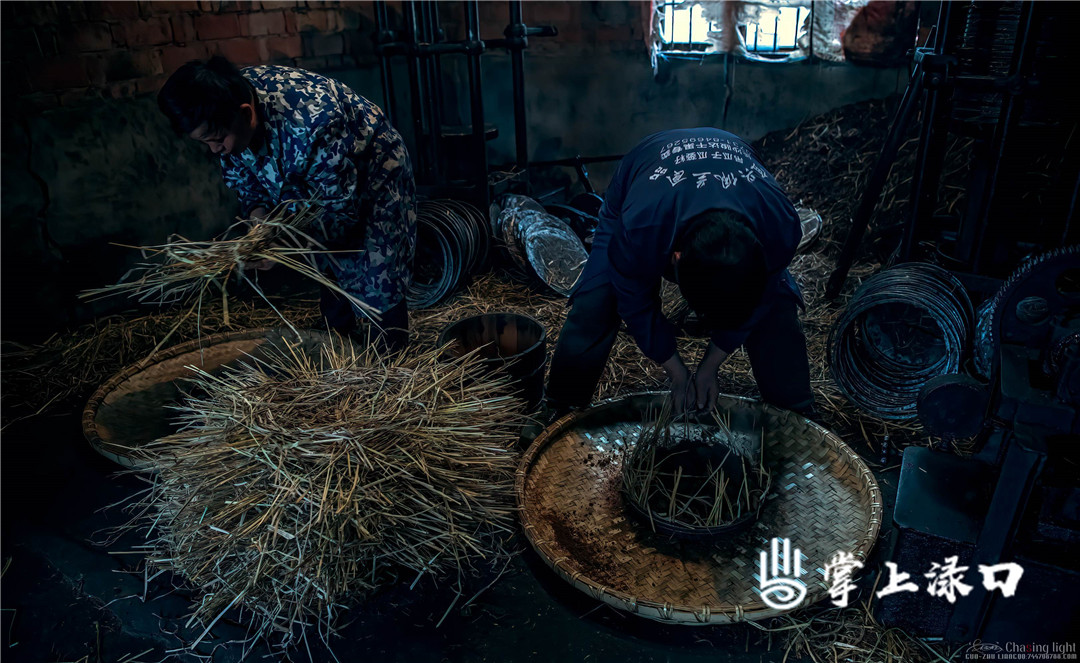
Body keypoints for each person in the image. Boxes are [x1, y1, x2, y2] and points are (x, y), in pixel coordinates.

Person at [545, 128, 813, 416]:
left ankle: (796, 414)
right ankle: (561, 406)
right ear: (674, 259)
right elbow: (634, 300)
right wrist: (676, 371)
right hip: (645, 174)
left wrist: (710, 365)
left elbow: (764, 294)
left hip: (731, 175)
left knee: (776, 307)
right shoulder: (640, 227)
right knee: (598, 298)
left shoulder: (779, 223)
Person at [157, 56, 416, 350]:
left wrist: (284, 244)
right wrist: (261, 229)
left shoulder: (313, 121)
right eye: (205, 143)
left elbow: (339, 211)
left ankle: (392, 357)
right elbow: (247, 183)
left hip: (373, 173)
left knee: (374, 269)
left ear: (246, 114)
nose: (215, 150)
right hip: (308, 178)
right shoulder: (224, 101)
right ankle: (339, 345)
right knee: (326, 267)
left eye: (216, 139)